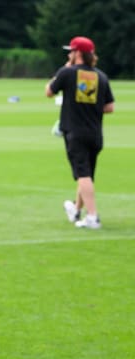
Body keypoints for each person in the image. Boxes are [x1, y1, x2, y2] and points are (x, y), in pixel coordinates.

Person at [45, 36, 115, 229]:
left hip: (75, 132)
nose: (69, 54)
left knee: (82, 174)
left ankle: (93, 217)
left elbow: (49, 92)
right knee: (86, 174)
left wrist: (65, 68)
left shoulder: (67, 73)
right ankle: (76, 210)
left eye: (71, 51)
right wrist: (89, 107)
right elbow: (109, 107)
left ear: (77, 53)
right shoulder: (101, 76)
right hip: (95, 133)